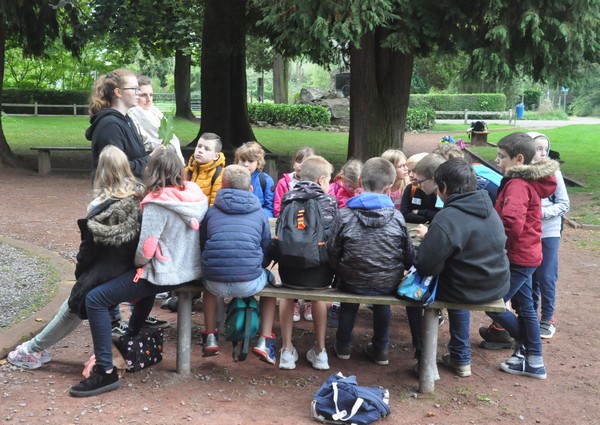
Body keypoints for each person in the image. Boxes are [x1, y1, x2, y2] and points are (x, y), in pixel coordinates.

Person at [69, 148, 208, 397]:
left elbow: (146, 249)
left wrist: (135, 263)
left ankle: (105, 372)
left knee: (95, 299)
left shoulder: (157, 202)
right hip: (189, 269)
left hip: (165, 273)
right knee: (133, 286)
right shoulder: (193, 195)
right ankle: (131, 333)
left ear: (151, 171)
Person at [8, 146, 143, 369]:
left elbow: (88, 252)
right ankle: (36, 348)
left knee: (73, 306)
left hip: (104, 271)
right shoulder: (138, 201)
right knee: (78, 308)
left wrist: (81, 276)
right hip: (126, 269)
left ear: (102, 172)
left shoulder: (99, 207)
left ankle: (31, 350)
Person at [414, 158, 510, 377]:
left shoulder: (448, 216)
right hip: (496, 284)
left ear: (444, 187)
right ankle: (460, 358)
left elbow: (425, 265)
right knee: (454, 277)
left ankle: (425, 362)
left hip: (466, 289)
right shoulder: (489, 208)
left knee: (416, 293)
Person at [327, 157, 414, 366]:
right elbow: (409, 255)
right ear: (389, 188)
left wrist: (341, 268)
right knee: (382, 303)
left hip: (351, 279)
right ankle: (381, 349)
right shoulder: (397, 217)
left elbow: (332, 250)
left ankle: (343, 345)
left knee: (349, 298)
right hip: (387, 282)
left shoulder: (344, 214)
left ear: (359, 181)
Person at [485, 132, 558, 380]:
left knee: (493, 304)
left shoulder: (517, 184)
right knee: (525, 306)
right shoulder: (525, 182)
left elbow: (511, 223)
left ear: (518, 159)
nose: (497, 161)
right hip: (527, 254)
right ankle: (532, 359)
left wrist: (495, 247)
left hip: (518, 257)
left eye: (501, 156)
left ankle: (530, 349)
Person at [198, 165, 278, 363]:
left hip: (214, 281)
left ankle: (210, 335)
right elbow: (266, 246)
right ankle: (264, 340)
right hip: (249, 280)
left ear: (221, 187)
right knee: (272, 284)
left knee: (208, 285)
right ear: (250, 189)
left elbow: (202, 243)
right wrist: (259, 265)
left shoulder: (211, 212)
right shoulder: (259, 213)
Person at [277, 156, 337, 370]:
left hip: (289, 269)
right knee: (319, 297)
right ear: (321, 180)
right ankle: (320, 351)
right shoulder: (329, 201)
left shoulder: (287, 198)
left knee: (286, 295)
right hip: (319, 271)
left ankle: (286, 351)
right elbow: (333, 240)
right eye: (329, 180)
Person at [528, 132, 570, 338]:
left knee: (546, 275)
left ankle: (548, 318)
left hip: (549, 230)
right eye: (538, 148)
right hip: (527, 231)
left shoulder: (554, 172)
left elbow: (564, 204)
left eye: (545, 149)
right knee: (530, 273)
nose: (543, 153)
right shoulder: (521, 172)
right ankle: (531, 315)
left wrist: (541, 213)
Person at [273, 147, 315, 322]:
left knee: (312, 263)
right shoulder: (285, 183)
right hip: (290, 231)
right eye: (299, 161)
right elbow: (278, 207)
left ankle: (310, 300)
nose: (301, 165)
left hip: (310, 232)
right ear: (293, 163)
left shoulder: (316, 182)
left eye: (306, 162)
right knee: (292, 262)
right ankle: (295, 301)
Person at [86, 69, 148, 179]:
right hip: (118, 194)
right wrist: (150, 160)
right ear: (118, 92)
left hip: (132, 190)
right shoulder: (110, 125)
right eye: (134, 89)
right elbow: (115, 169)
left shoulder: (126, 119)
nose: (138, 92)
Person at [326, 158, 363, 327]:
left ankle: (341, 305)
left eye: (357, 188)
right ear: (344, 179)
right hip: (335, 235)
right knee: (335, 270)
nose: (354, 191)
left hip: (354, 237)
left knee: (346, 271)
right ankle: (335, 304)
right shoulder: (333, 190)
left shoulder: (362, 193)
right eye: (351, 187)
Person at [128, 75, 186, 165]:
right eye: (143, 95)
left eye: (151, 95)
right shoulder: (132, 114)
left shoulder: (155, 111)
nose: (148, 99)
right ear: (135, 95)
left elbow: (171, 137)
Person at [185, 132, 227, 206]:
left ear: (216, 156)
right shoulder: (188, 170)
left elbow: (215, 205)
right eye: (199, 146)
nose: (200, 150)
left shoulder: (219, 175)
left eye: (207, 149)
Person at [235, 141, 275, 218]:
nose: (246, 164)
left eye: (250, 161)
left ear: (258, 163)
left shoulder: (265, 180)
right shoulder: (232, 177)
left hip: (257, 218)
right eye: (243, 160)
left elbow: (269, 208)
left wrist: (258, 219)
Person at [400, 153, 440, 224]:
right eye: (409, 171)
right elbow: (404, 214)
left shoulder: (437, 192)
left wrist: (419, 212)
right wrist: (426, 218)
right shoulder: (410, 189)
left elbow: (440, 216)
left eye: (414, 171)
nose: (411, 175)